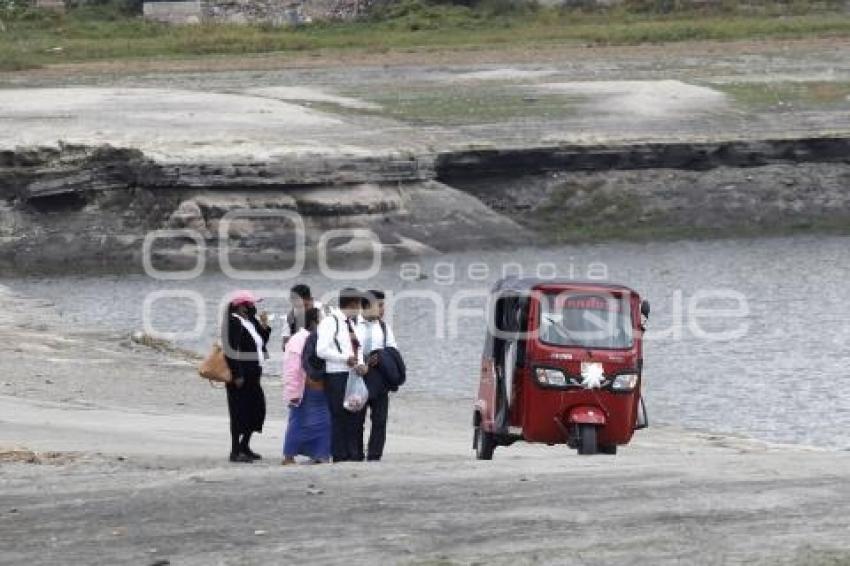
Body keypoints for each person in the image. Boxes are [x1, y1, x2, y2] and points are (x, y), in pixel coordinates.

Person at [316, 288, 367, 463]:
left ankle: (354, 453)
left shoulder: (351, 323)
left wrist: (360, 364)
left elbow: (357, 347)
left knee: (355, 413)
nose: (360, 309)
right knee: (339, 415)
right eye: (359, 305)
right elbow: (321, 350)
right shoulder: (331, 322)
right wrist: (345, 359)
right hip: (336, 374)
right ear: (353, 304)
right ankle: (340, 454)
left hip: (353, 374)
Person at [222, 290, 271, 463]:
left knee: (256, 410)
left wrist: (265, 326)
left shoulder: (250, 321)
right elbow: (230, 350)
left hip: (253, 372)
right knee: (238, 413)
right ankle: (235, 451)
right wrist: (237, 374)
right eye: (250, 304)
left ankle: (245, 445)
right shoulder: (233, 322)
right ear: (240, 306)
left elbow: (261, 342)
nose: (253, 307)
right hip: (241, 375)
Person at [281, 307, 331, 465]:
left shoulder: (319, 337)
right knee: (298, 421)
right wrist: (292, 391)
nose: (324, 322)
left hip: (319, 387)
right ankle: (289, 456)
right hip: (304, 388)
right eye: (321, 319)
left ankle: (319, 454)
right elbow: (292, 368)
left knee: (323, 421)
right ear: (313, 322)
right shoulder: (298, 339)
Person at [281, 284, 325, 350]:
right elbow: (284, 347)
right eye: (296, 306)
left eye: (304, 305)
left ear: (311, 300)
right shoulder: (289, 318)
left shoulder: (323, 311)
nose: (300, 309)